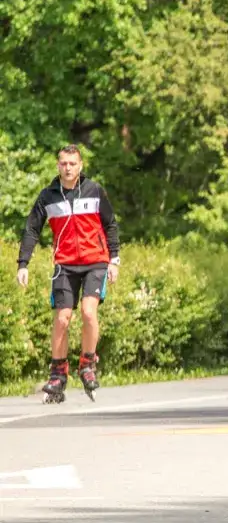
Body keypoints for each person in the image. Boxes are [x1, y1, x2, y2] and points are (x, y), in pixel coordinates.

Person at [16, 144, 121, 402]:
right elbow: (31, 230)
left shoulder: (95, 191)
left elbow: (110, 224)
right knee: (62, 318)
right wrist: (23, 264)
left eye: (72, 163)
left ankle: (87, 365)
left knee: (88, 311)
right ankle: (58, 373)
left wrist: (114, 259)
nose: (68, 168)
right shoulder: (47, 196)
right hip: (64, 264)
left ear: (80, 166)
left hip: (95, 261)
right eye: (63, 163)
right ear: (57, 165)